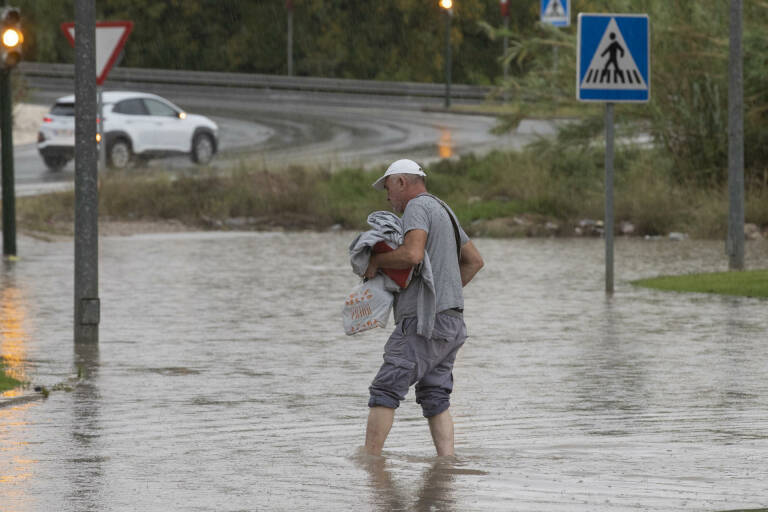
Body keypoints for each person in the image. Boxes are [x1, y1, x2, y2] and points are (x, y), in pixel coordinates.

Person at [363, 158, 484, 456]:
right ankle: (446, 465)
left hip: (423, 323)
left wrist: (375, 262)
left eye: (388, 188)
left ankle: (369, 462)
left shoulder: (417, 207)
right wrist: (444, 298)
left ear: (402, 182)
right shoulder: (444, 209)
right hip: (451, 324)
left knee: (385, 388)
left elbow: (413, 254)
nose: (387, 196)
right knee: (435, 396)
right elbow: (474, 261)